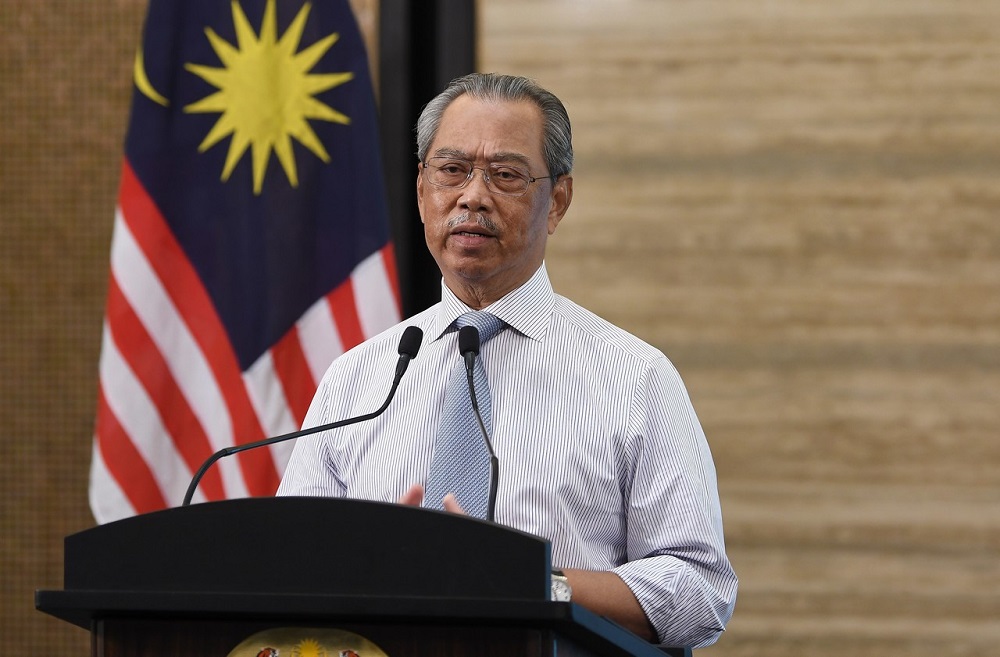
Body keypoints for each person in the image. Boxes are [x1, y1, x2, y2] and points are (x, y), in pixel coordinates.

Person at [277, 73, 737, 648]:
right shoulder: (358, 378)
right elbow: (288, 570)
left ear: (558, 200)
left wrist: (528, 582)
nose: (473, 195)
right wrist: (374, 563)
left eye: (505, 175)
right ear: (422, 191)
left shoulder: (635, 378)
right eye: (452, 170)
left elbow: (699, 591)